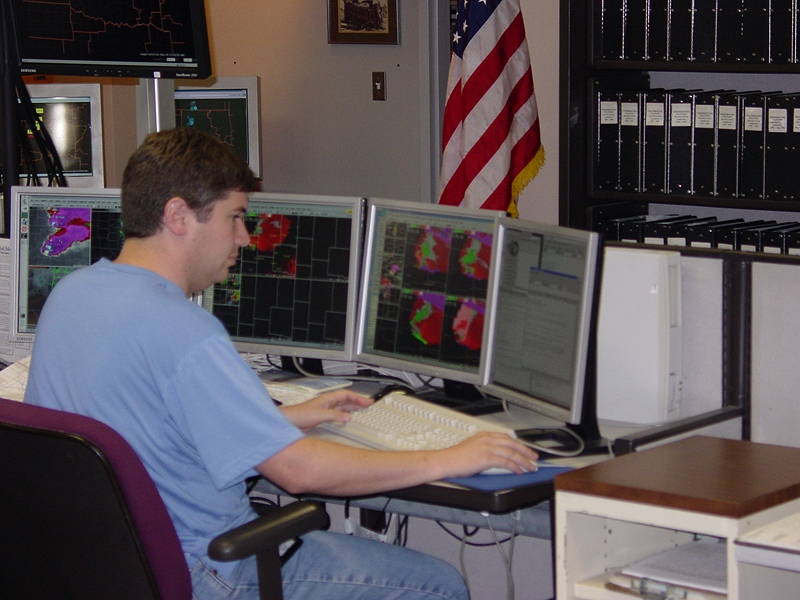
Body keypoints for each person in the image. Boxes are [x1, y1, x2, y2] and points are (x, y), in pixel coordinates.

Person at [25, 127, 537, 600]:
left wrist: (284, 417)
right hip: (207, 571)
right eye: (235, 217)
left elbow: (140, 422)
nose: (245, 239)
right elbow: (297, 472)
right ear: (178, 217)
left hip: (108, 570)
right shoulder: (184, 330)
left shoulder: (74, 294)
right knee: (439, 585)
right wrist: (452, 458)